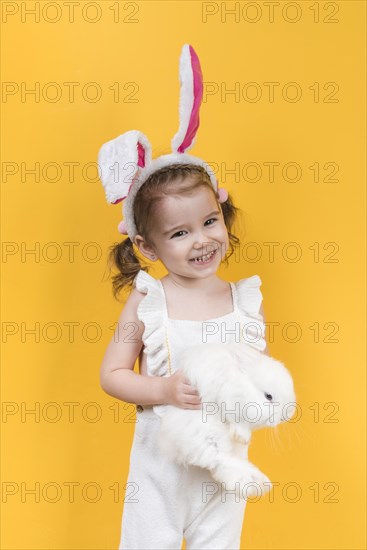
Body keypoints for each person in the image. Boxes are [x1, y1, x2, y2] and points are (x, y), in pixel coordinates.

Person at [97, 45, 268, 550]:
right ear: (146, 245)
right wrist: (164, 392)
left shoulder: (244, 301)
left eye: (209, 221)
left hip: (222, 475)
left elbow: (254, 378)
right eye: (180, 233)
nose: (201, 240)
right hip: (160, 475)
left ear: (222, 212)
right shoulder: (147, 302)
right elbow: (112, 375)